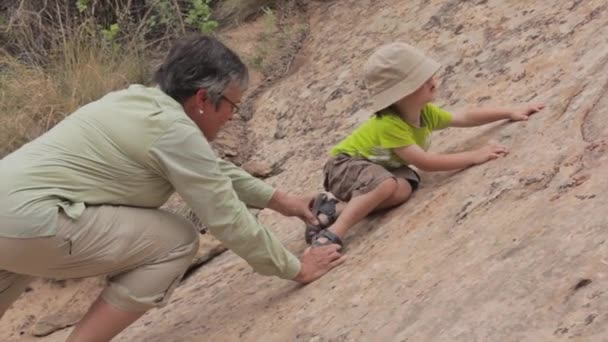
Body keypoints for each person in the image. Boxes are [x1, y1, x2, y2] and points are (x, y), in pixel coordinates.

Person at [0, 34, 344, 341]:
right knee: (176, 241)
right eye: (233, 105)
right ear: (203, 99)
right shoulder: (173, 131)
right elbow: (226, 217)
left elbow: (207, 170)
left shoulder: (136, 102)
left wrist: (280, 200)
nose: (232, 117)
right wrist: (296, 268)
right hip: (32, 219)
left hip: (10, 212)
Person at [305, 42, 544, 248]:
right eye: (421, 80)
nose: (433, 81)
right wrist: (475, 155)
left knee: (403, 189)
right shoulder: (390, 124)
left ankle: (331, 210)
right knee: (385, 183)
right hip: (344, 166)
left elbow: (464, 117)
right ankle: (335, 232)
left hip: (376, 170)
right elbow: (426, 163)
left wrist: (508, 111)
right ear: (400, 94)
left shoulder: (425, 112)